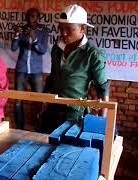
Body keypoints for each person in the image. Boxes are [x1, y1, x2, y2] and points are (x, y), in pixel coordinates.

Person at [40, 4, 110, 133]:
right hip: (52, 110)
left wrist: (100, 125)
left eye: (69, 29)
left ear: (82, 29)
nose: (64, 33)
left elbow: (103, 89)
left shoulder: (92, 54)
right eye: (61, 28)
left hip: (74, 114)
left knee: (68, 150)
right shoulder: (57, 49)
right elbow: (52, 76)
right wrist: (44, 103)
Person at [11, 8, 49, 130]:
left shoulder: (43, 31)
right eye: (29, 16)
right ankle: (19, 130)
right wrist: (17, 35)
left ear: (38, 18)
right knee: (18, 102)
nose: (30, 18)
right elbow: (13, 48)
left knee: (38, 102)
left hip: (36, 71)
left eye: (33, 16)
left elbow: (43, 50)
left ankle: (38, 129)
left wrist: (35, 39)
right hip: (21, 70)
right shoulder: (22, 29)